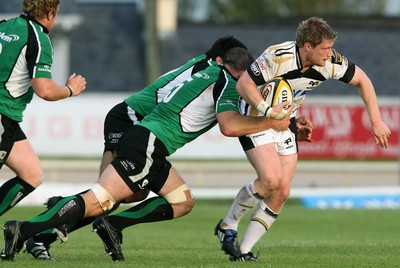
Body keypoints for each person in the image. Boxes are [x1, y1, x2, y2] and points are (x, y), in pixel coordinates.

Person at [1, 47, 295, 262]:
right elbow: (230, 126)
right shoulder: (228, 84)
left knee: (182, 201)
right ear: (241, 73)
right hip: (147, 141)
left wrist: (290, 123)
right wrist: (273, 121)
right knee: (102, 199)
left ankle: (111, 224)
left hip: (149, 141)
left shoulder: (205, 70)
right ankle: (26, 229)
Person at [214, 16, 391, 262]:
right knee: (270, 180)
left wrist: (377, 121)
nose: (330, 54)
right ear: (307, 46)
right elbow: (244, 85)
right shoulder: (278, 56)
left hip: (285, 120)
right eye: (325, 48)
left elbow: (362, 80)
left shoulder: (330, 62)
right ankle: (228, 224)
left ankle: (243, 252)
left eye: (330, 47)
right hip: (258, 117)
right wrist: (268, 111)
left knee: (282, 191)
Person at [0, 1, 86, 221]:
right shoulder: (38, 38)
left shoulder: (4, 26)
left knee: (32, 173)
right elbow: (45, 90)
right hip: (2, 115)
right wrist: (70, 90)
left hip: (7, 121)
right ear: (51, 13)